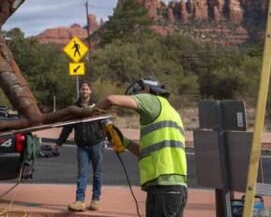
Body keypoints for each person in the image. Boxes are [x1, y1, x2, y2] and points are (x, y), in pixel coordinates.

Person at [97, 78, 187, 217]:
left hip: (163, 185)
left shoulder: (152, 101)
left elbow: (111, 99)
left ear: (146, 89)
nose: (135, 97)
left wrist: (90, 113)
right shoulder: (170, 112)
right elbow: (145, 153)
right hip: (174, 187)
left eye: (136, 93)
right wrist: (124, 142)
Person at [56, 81, 106, 211]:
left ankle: (95, 199)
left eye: (86, 89)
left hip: (96, 144)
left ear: (90, 91)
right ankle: (79, 201)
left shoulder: (96, 107)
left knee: (97, 174)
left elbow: (106, 124)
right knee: (82, 173)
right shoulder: (74, 108)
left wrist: (112, 139)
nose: (84, 91)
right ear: (80, 91)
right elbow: (67, 128)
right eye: (82, 89)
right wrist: (59, 143)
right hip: (82, 146)